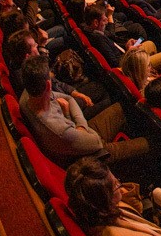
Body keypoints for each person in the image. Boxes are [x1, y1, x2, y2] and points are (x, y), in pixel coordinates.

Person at [19, 55, 149, 168]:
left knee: (122, 107)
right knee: (146, 144)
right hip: (92, 153)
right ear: (48, 85)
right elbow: (97, 142)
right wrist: (77, 123)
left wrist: (80, 126)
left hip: (79, 134)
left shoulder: (27, 95)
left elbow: (69, 98)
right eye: (50, 76)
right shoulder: (60, 132)